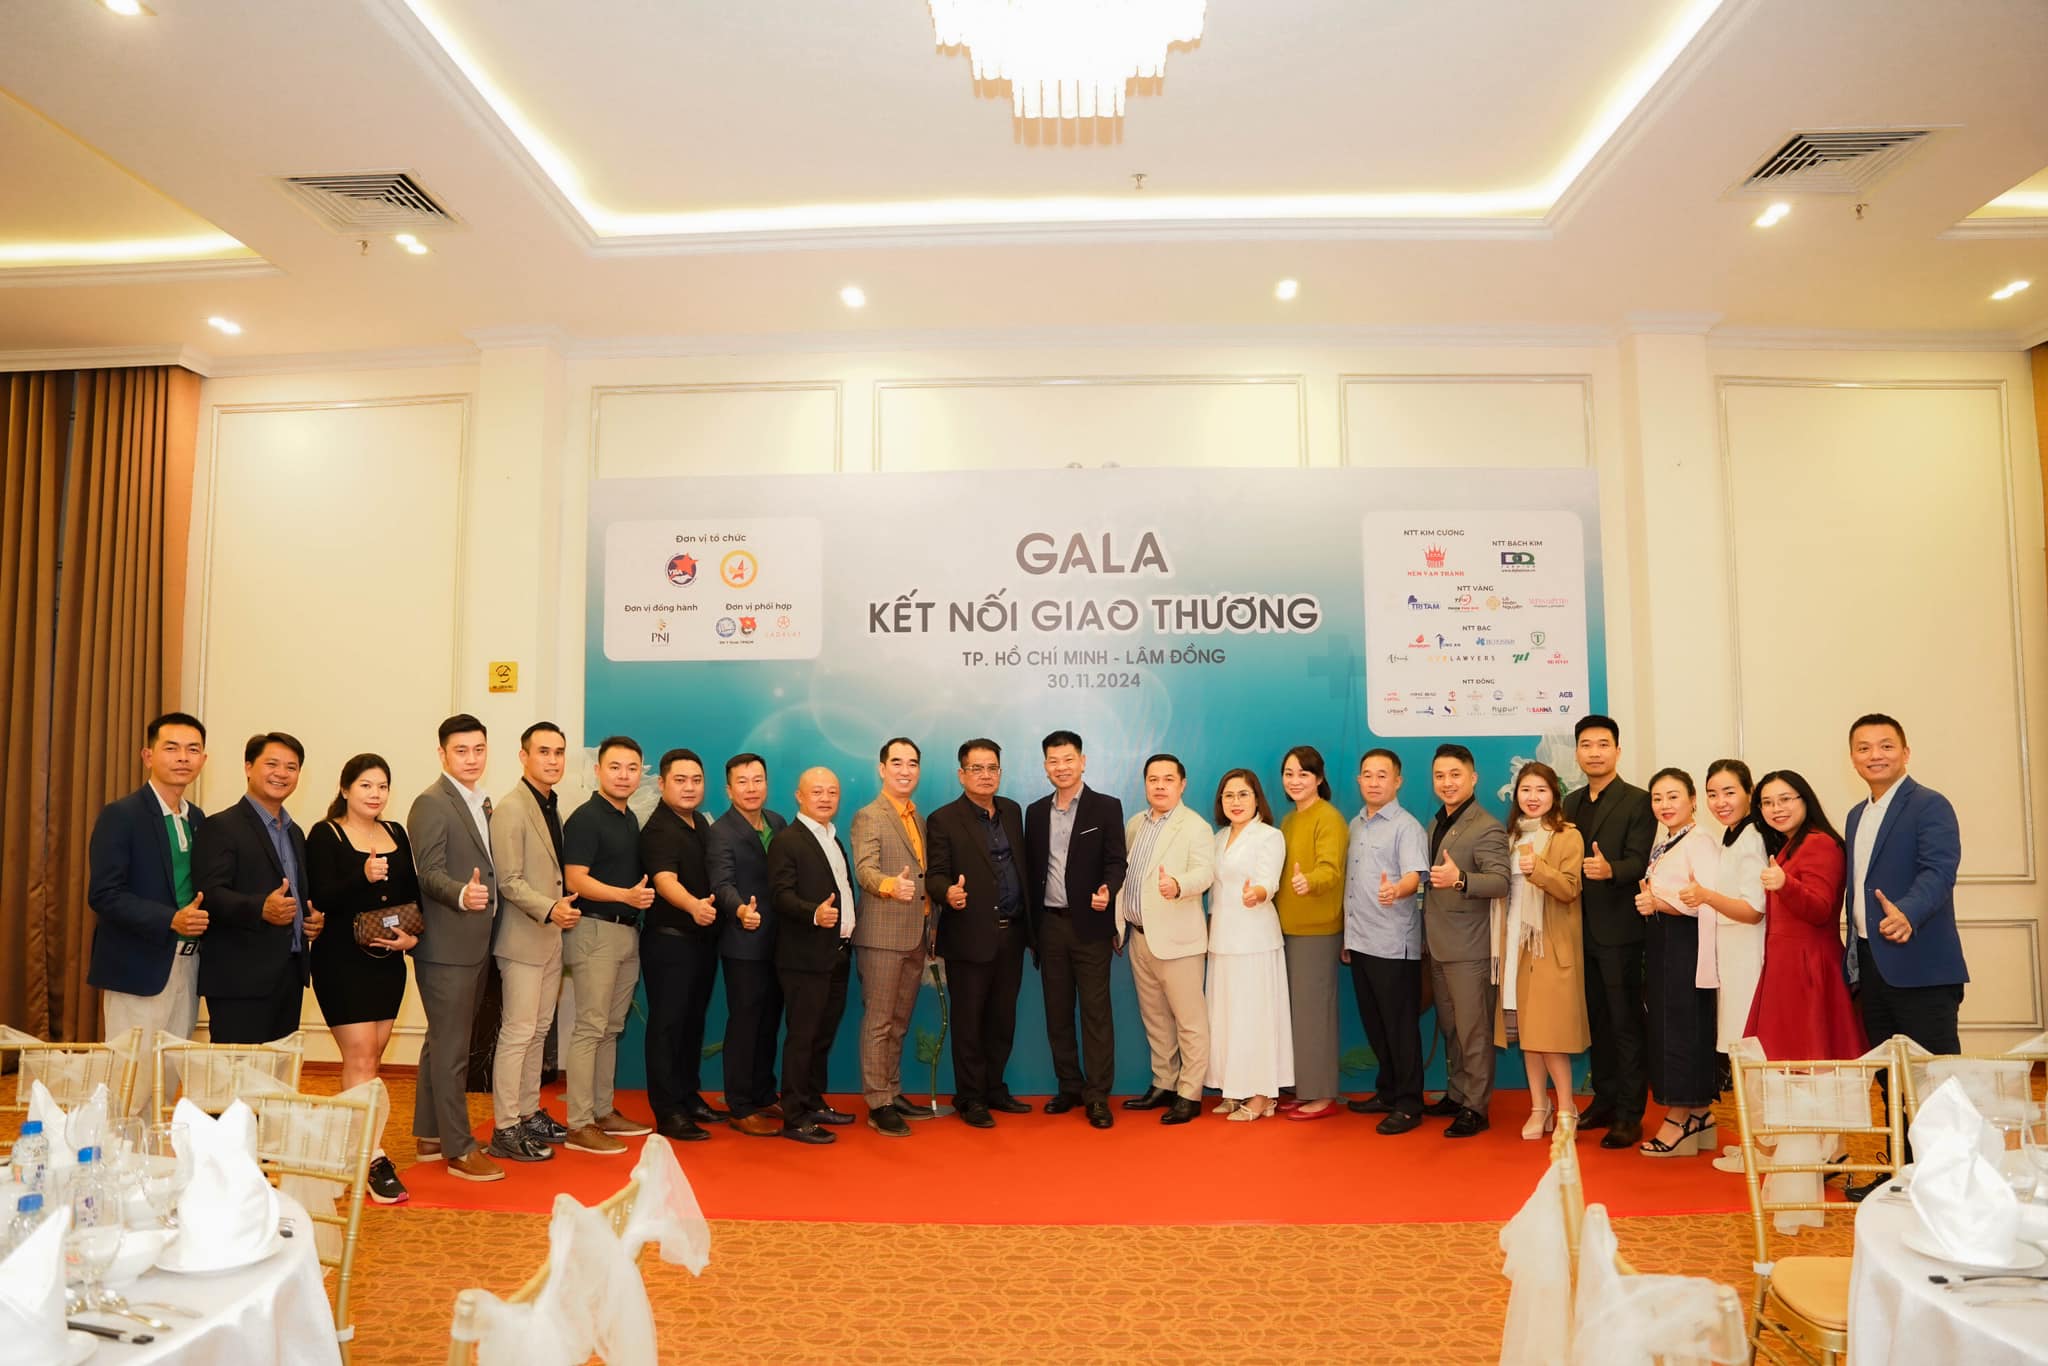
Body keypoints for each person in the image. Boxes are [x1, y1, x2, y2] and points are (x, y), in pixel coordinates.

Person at [304, 753, 419, 1203]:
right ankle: (372, 1157)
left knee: (373, 1059)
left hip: (387, 961)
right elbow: (321, 896)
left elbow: (411, 893)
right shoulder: (326, 833)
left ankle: (352, 1149)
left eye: (382, 786)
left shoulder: (396, 832)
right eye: (366, 785)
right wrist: (362, 875)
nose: (375, 794)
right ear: (346, 788)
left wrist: (412, 937)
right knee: (361, 1056)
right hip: (340, 961)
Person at [87, 712, 209, 1113]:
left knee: (167, 1080)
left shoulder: (197, 819)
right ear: (148, 755)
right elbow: (104, 894)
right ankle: (117, 1152)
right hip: (138, 966)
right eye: (171, 748)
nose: (182, 757)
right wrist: (169, 919)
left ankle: (152, 1153)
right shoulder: (122, 815)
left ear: (203, 759)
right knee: (130, 1083)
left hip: (188, 964)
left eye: (192, 749)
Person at [406, 715, 502, 1181]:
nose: (471, 758)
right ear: (442, 754)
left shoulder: (478, 800)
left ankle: (430, 1135)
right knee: (453, 1050)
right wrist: (462, 894)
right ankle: (459, 1149)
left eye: (478, 749)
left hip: (473, 941)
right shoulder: (431, 803)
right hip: (446, 945)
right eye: (461, 751)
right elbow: (428, 872)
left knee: (440, 1042)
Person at [1843, 713, 1966, 1065]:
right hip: (1870, 964)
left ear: (1906, 753)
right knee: (1889, 1074)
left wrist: (1908, 912)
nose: (1874, 755)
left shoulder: (1929, 804)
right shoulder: (1855, 815)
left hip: (1920, 962)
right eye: (1863, 748)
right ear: (1852, 758)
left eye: (1886, 746)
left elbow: (1939, 871)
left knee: (1934, 1074)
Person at [926, 739, 1036, 1129]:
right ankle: (970, 1097)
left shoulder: (1012, 811)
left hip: (1012, 935)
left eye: (992, 768)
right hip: (969, 936)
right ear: (962, 774)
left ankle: (994, 1088)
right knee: (969, 1023)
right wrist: (947, 893)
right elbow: (935, 875)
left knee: (1002, 1020)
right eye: (977, 768)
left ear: (1000, 773)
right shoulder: (943, 819)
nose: (985, 775)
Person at [1560, 715, 1657, 1150]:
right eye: (1586, 745)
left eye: (1603, 744)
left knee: (1625, 1024)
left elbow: (1641, 860)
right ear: (1577, 752)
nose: (1594, 752)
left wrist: (1610, 870)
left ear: (1618, 750)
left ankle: (1630, 1114)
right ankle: (1604, 1101)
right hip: (1576, 930)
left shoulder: (1638, 801)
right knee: (1596, 1022)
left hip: (1619, 931)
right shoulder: (1570, 803)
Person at [1024, 730, 1126, 1130]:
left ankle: (1097, 1095)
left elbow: (1116, 861)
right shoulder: (1035, 812)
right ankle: (1069, 1086)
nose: (1061, 767)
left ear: (1082, 761)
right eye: (1054, 760)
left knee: (1096, 1014)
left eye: (1068, 759)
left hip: (1090, 926)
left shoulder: (1106, 807)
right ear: (1045, 766)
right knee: (1057, 1012)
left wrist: (1109, 889)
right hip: (1049, 925)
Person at [194, 731, 323, 1046]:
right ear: (248, 767)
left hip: (289, 974)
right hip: (240, 979)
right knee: (238, 1071)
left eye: (291, 767)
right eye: (272, 764)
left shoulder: (295, 833)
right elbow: (209, 894)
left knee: (279, 1071)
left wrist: (310, 920)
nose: (282, 773)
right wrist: (259, 908)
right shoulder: (221, 826)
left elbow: (298, 896)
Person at [562, 736, 657, 1155]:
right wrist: (625, 896)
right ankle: (579, 1123)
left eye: (632, 768)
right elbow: (575, 879)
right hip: (595, 930)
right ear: (598, 771)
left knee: (611, 1027)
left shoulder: (629, 818)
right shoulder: (586, 818)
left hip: (626, 932)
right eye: (615, 767)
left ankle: (602, 1111)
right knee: (591, 1026)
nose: (624, 775)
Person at [487, 722, 578, 1164]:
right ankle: (505, 1127)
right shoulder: (511, 808)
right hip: (522, 938)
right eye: (544, 751)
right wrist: (550, 907)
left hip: (550, 936)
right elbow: (509, 881)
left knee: (539, 1031)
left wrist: (556, 911)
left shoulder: (550, 806)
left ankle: (527, 1113)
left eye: (559, 752)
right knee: (518, 1032)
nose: (553, 760)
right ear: (523, 756)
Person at [1490, 762, 1587, 1140]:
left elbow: (1570, 889)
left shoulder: (1567, 836)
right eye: (1526, 790)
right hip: (1514, 943)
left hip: (1548, 945)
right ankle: (1538, 1106)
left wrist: (1539, 870)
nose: (1533, 797)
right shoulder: (1510, 836)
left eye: (1541, 790)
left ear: (1554, 795)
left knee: (1550, 1035)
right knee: (1528, 1034)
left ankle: (1566, 1109)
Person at [1119, 754, 1217, 1126]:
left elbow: (1205, 873)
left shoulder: (1195, 827)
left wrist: (1178, 885)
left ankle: (1190, 1093)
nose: (1160, 786)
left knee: (1190, 1021)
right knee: (1156, 1019)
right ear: (1145, 783)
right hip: (1139, 938)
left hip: (1178, 941)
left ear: (1182, 784)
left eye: (1168, 779)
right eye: (1153, 779)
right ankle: (1164, 1083)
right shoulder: (1135, 824)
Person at [1744, 771, 1866, 1061]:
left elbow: (1821, 908)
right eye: (1767, 803)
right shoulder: (1792, 844)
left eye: (1785, 799)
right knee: (1789, 1061)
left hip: (1809, 966)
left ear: (1805, 800)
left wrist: (1785, 884)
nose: (1776, 809)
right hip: (1787, 966)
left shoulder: (1819, 843)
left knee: (1811, 1059)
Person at [1421, 744, 1511, 1138]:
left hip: (1470, 948)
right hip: (1439, 943)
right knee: (1452, 1028)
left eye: (1455, 774)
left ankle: (1476, 1107)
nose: (1447, 782)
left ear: (1473, 778)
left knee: (1473, 1031)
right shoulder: (1436, 822)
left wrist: (1460, 879)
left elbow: (1501, 882)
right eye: (1440, 776)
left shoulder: (1486, 826)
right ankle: (1457, 1094)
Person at [1341, 748, 1431, 1134]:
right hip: (1361, 939)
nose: (1374, 782)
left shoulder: (1406, 827)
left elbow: (1414, 875)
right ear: (1358, 780)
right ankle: (1389, 1091)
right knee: (1375, 1024)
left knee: (1399, 1027)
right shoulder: (1356, 823)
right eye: (1367, 774)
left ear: (1397, 781)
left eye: (1382, 775)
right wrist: (1347, 936)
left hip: (1393, 943)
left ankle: (1409, 1103)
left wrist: (1397, 890)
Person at [1634, 768, 1721, 1158]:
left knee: (1680, 1028)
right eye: (1657, 798)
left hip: (1685, 941)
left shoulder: (1700, 841)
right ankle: (1700, 1113)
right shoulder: (1669, 841)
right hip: (1665, 939)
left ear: (1692, 801)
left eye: (1673, 796)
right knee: (1674, 1024)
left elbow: (1706, 898)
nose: (1664, 805)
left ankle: (1679, 1116)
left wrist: (1660, 902)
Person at [767, 766, 857, 1145]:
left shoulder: (833, 838)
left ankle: (813, 1101)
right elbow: (780, 895)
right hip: (804, 956)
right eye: (817, 791)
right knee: (803, 1037)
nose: (825, 798)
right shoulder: (788, 841)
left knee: (822, 1036)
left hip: (837, 953)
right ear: (799, 796)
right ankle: (794, 1116)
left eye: (832, 792)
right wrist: (814, 914)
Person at [638, 747, 723, 1143]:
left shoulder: (698, 823)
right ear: (662, 783)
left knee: (692, 1024)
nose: (689, 788)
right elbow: (664, 880)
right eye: (680, 780)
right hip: (670, 943)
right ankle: (668, 1110)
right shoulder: (659, 829)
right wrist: (693, 906)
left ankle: (688, 1096)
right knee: (668, 1027)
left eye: (696, 780)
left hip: (701, 943)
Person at [847, 738, 929, 1138]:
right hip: (881, 936)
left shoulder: (917, 817)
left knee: (899, 1022)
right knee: (879, 1022)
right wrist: (888, 886)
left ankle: (893, 1091)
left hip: (914, 935)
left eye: (912, 763)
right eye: (897, 762)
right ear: (882, 769)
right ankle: (878, 1102)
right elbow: (865, 869)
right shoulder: (869, 816)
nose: (905, 770)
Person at [707, 753, 788, 1138]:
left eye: (758, 780)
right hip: (744, 942)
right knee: (745, 1023)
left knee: (770, 1020)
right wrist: (740, 910)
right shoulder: (721, 831)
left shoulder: (777, 822)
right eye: (742, 781)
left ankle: (763, 1093)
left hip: (780, 941)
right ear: (729, 789)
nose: (751, 788)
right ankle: (739, 1105)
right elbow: (721, 883)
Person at [1204, 768, 1290, 1120]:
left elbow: (1270, 881)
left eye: (1243, 794)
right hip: (1222, 939)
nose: (1235, 802)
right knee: (1226, 1018)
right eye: (1228, 795)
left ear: (1257, 799)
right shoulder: (1217, 838)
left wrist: (1257, 893)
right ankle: (1233, 1088)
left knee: (1256, 1018)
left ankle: (1261, 1094)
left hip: (1255, 939)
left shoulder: (1269, 836)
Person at [1275, 746, 1347, 1121]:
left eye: (1303, 774)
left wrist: (1310, 881)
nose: (1295, 781)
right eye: (1289, 773)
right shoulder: (1288, 821)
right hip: (1286, 929)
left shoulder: (1328, 818)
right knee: (1297, 1015)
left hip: (1317, 931)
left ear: (1318, 778)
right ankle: (1304, 1088)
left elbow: (1331, 869)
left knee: (1315, 1014)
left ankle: (1322, 1094)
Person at [1691, 761, 1766, 1057]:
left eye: (1729, 792)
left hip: (1750, 951)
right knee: (1739, 1044)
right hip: (1733, 952)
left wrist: (1706, 896)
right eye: (1712, 794)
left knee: (1752, 1045)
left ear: (1750, 792)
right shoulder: (1733, 833)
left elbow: (1753, 910)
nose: (1720, 802)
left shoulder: (1753, 837)